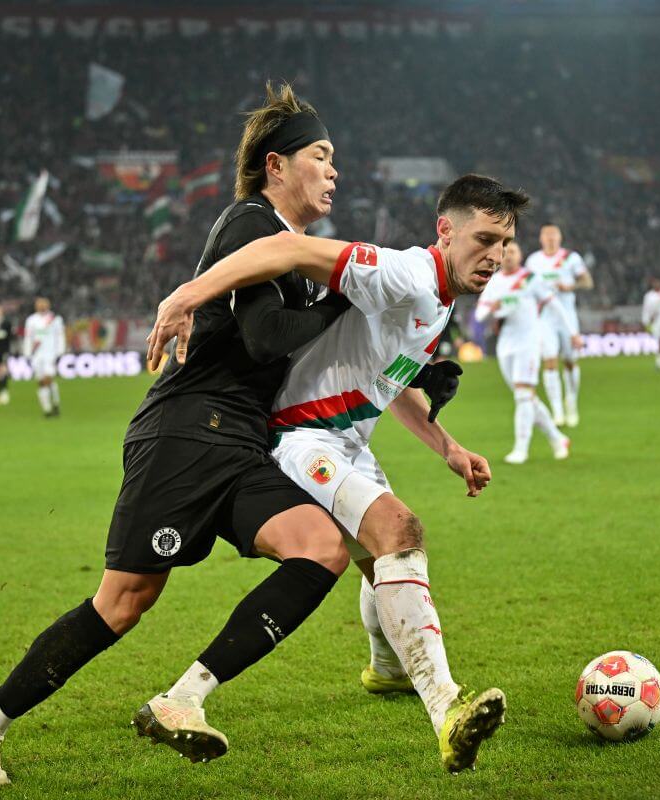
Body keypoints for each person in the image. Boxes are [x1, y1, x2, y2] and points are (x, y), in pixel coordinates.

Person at [0, 82, 354, 785]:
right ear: (276, 166)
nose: (334, 170)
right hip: (186, 433)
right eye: (320, 155)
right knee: (124, 602)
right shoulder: (250, 225)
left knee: (319, 549)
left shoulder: (292, 249)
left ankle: (182, 697)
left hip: (240, 441)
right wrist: (346, 295)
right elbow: (264, 339)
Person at [149, 173, 528, 773]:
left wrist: (448, 447)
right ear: (445, 231)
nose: (495, 256)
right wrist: (189, 294)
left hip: (345, 439)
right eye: (483, 239)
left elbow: (389, 381)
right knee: (399, 531)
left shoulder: (439, 301)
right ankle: (447, 709)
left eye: (504, 243)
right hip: (301, 437)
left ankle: (383, 670)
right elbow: (288, 250)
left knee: (383, 557)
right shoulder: (405, 272)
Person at [475, 241, 571, 463]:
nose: (508, 256)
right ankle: (557, 438)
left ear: (520, 255)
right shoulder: (494, 282)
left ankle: (521, 449)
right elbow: (480, 315)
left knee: (523, 396)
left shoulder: (530, 279)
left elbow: (554, 305)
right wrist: (492, 309)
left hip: (529, 343)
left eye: (513, 251)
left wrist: (572, 333)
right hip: (506, 346)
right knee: (526, 398)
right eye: (505, 252)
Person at [525, 224, 592, 427]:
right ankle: (558, 410)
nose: (550, 239)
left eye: (554, 235)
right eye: (547, 236)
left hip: (568, 317)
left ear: (560, 238)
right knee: (550, 361)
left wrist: (571, 286)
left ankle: (571, 400)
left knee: (570, 361)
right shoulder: (533, 261)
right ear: (541, 239)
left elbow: (587, 282)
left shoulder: (570, 258)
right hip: (545, 319)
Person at [22, 297, 66, 417]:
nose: (41, 306)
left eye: (43, 304)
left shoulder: (55, 319)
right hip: (37, 356)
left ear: (48, 305)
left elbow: (60, 336)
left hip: (50, 355)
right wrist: (27, 354)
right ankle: (49, 408)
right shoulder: (31, 320)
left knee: (47, 380)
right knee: (41, 383)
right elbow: (28, 338)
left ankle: (52, 406)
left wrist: (60, 352)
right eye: (39, 304)